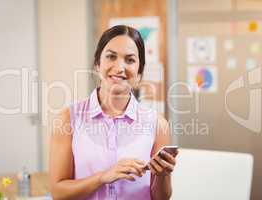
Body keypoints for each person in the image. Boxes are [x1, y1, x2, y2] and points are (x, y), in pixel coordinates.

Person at [49, 25, 178, 200]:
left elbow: (160, 198)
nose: (120, 67)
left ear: (139, 72)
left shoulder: (157, 124)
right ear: (97, 64)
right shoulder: (68, 119)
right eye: (111, 56)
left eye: (130, 60)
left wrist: (163, 176)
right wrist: (103, 177)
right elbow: (58, 192)